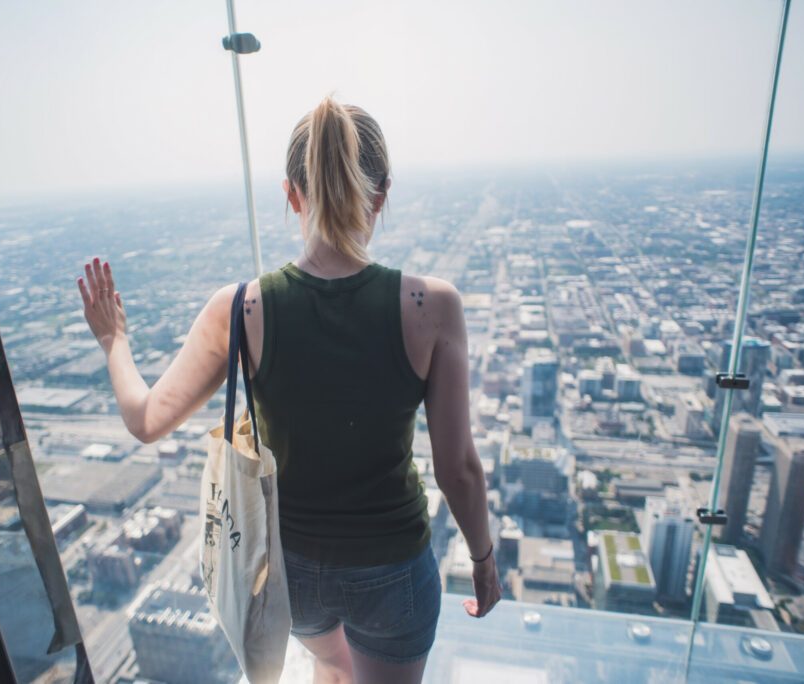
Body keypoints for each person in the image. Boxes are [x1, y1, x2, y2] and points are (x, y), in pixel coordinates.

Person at [77, 96, 500, 684]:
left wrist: (114, 341)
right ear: (381, 197)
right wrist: (482, 558)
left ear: (291, 195)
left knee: (331, 666)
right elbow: (459, 470)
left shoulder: (240, 309)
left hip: (291, 570)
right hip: (393, 570)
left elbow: (146, 420)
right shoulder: (432, 307)